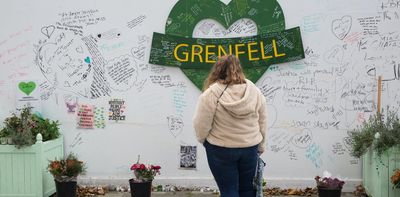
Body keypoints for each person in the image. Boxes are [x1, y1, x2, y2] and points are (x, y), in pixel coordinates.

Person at [193, 55, 267, 197]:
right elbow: (262, 121)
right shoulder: (255, 92)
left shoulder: (211, 94)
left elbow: (200, 124)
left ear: (217, 70)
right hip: (249, 148)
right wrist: (261, 145)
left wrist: (204, 141)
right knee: (247, 190)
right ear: (239, 69)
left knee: (228, 190)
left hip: (220, 149)